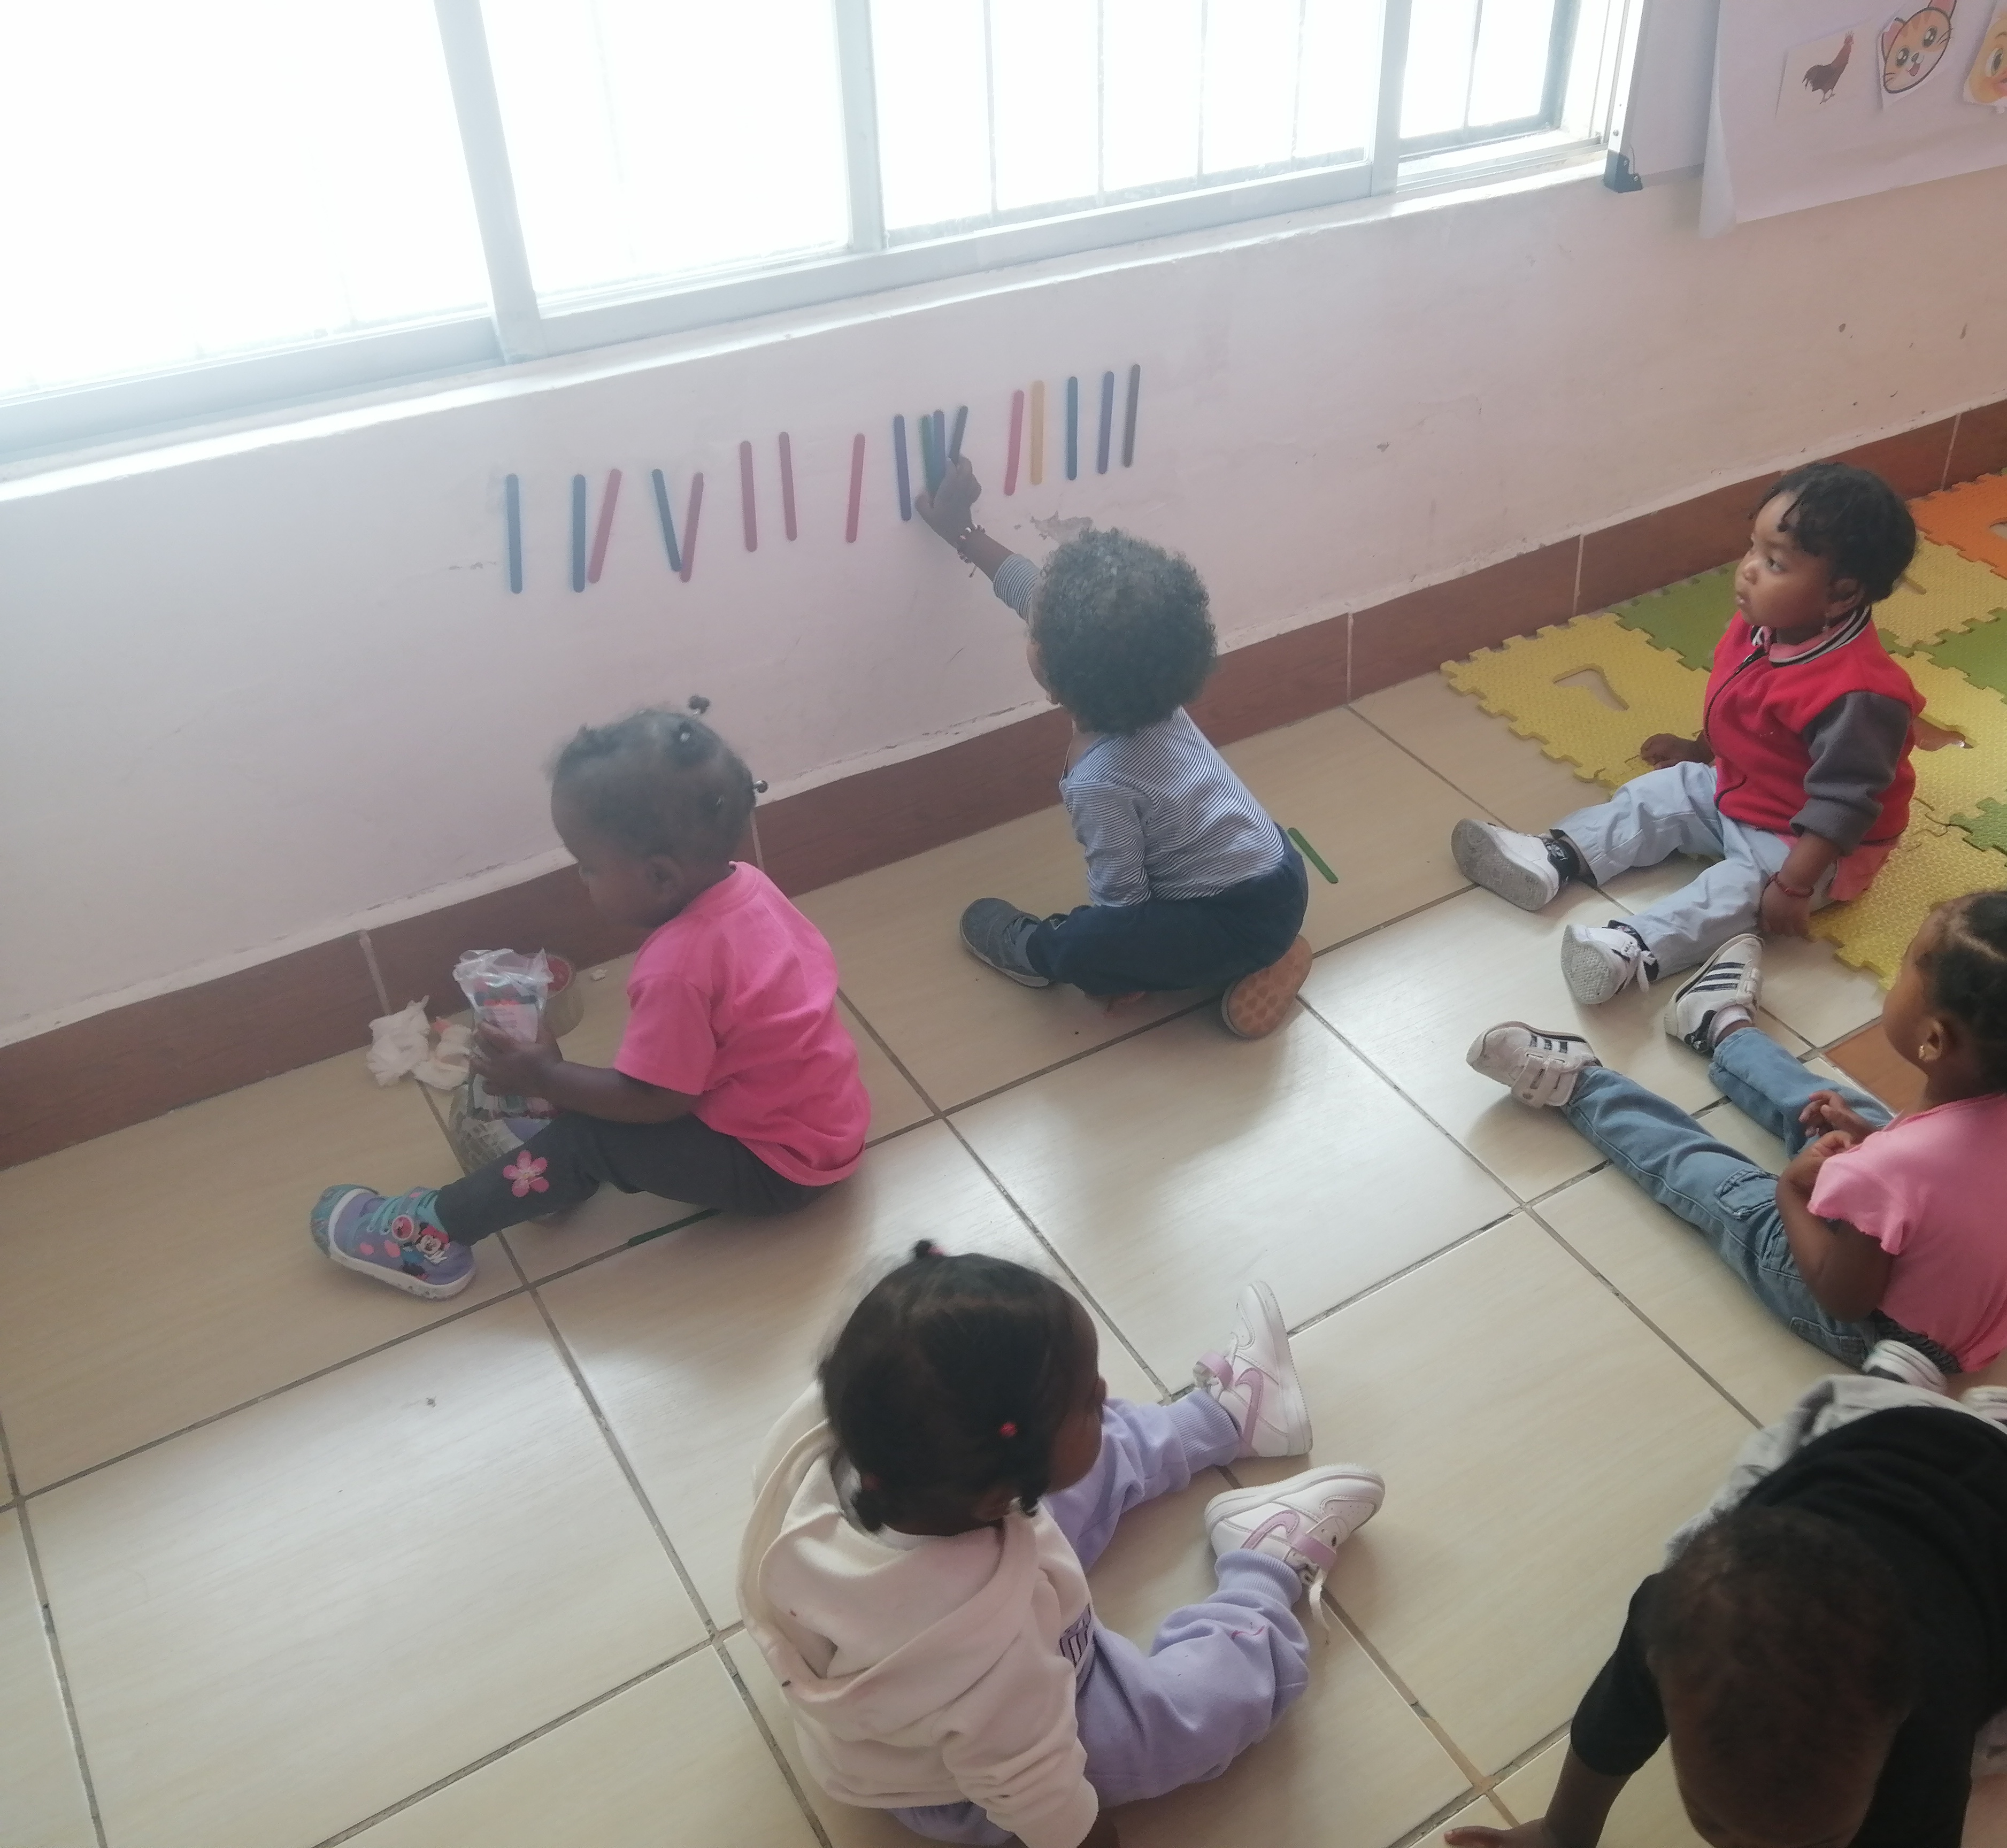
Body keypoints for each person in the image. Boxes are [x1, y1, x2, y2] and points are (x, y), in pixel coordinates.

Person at [738, 1248, 1383, 1848]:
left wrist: (1064, 1425)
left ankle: (1226, 1420)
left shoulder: (872, 1430)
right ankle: (1263, 1566)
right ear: (999, 1499)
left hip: (946, 1634)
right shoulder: (986, 1658)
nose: (1104, 1393)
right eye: (1090, 1402)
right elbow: (1032, 1787)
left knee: (1070, 1461)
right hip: (963, 1779)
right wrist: (1084, 1836)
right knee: (1190, 1719)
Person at [310, 705, 870, 1298]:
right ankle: (548, 1181)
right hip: (826, 1121)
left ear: (660, 877)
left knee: (590, 1140)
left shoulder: (677, 967)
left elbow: (659, 1101)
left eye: (589, 865)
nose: (581, 879)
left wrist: (548, 1077)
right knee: (599, 1100)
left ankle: (431, 1236)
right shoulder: (748, 884)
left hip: (777, 1168)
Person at [1465, 892, 2007, 1376]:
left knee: (1726, 1187)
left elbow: (1843, 1297)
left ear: (1934, 1039)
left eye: (1906, 967)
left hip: (1883, 1335)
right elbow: (1931, 1175)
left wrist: (1791, 1191)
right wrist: (1870, 1142)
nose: (1895, 977)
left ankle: (1582, 1087)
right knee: (1840, 1108)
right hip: (1996, 1312)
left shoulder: (1894, 1170)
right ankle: (1721, 1028)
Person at [1444, 1371, 2007, 1848]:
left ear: (1902, 1724)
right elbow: (1609, 1726)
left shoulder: (1929, 1747)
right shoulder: (1673, 1625)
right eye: (1716, 1827)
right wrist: (1561, 1834)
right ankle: (1941, 1399)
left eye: (1818, 1845)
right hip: (1876, 1427)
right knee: (1705, 1557)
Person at [1450, 461, 1923, 1007]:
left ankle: (1634, 949)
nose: (1747, 570)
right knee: (1659, 793)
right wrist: (1700, 750)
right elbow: (1740, 706)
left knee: (1737, 891)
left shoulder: (1859, 695)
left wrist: (1795, 884)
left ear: (1841, 595)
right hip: (1744, 790)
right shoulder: (1763, 626)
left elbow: (1846, 803)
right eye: (1753, 548)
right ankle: (1557, 857)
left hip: (1809, 842)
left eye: (1774, 563)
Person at [914, 454, 1313, 1038]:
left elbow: (1123, 900)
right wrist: (964, 532)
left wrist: (1123, 966)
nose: (1031, 621)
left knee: (1087, 943)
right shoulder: (1147, 682)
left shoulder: (1101, 780)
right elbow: (1032, 590)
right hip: (1281, 873)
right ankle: (1273, 948)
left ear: (1056, 681)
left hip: (1231, 921)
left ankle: (1035, 952)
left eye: (1034, 632)